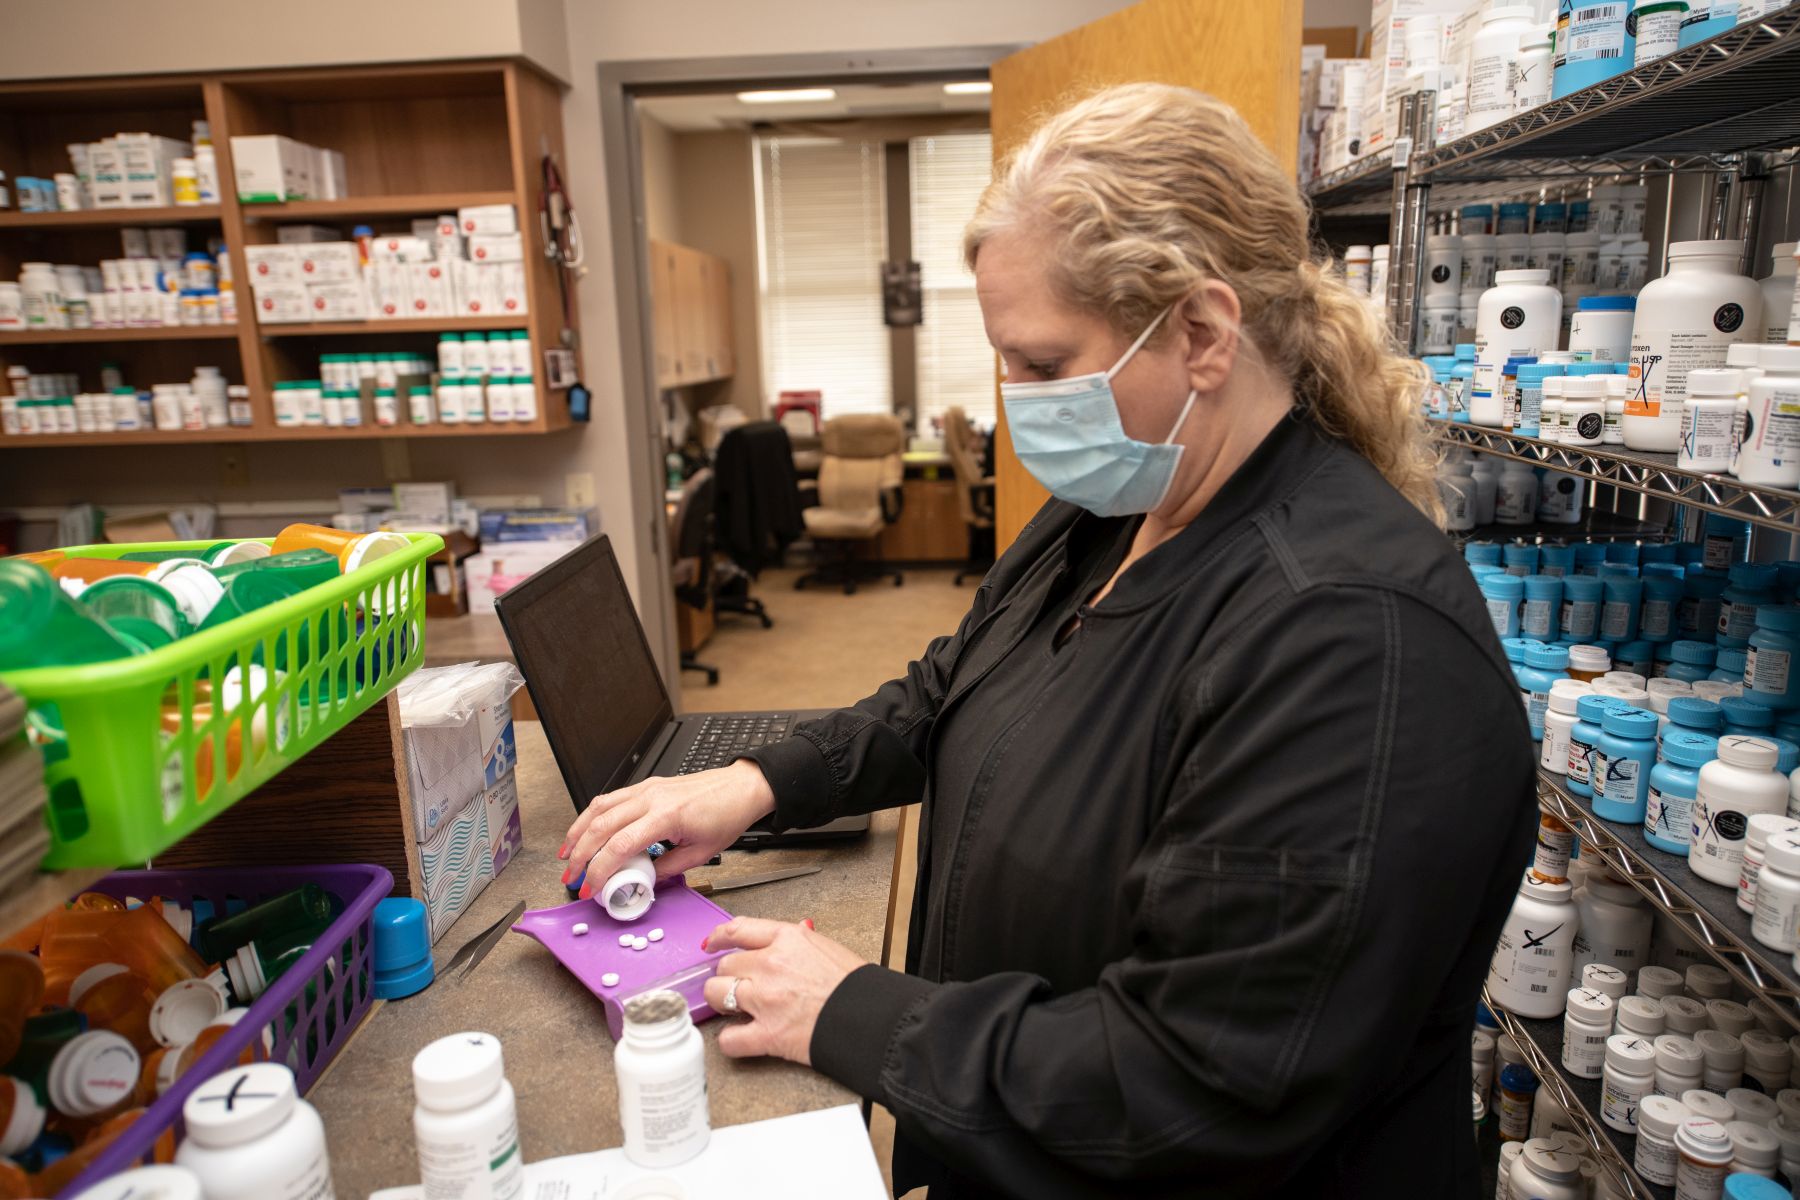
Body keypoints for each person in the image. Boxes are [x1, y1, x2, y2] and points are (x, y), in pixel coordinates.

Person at [562, 83, 1535, 1197]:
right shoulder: (1120, 505)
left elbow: (1196, 1088)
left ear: (1204, 335)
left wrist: (856, 1010)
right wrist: (753, 782)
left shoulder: (1353, 641)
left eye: (1041, 363)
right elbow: (954, 688)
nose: (1013, 400)